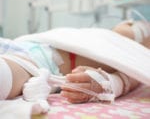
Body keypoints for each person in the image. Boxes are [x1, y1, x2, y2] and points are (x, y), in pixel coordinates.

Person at [0, 20, 149, 104]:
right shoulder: (109, 37)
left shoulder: (131, 53)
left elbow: (134, 70)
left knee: (19, 69)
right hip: (26, 46)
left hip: (36, 63)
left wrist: (110, 83)